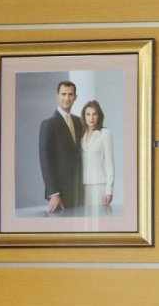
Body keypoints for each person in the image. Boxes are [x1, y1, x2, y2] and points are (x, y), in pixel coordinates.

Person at [38, 81, 83, 214]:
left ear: (75, 97)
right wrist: (54, 193)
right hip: (61, 192)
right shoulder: (48, 124)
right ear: (57, 96)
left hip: (80, 190)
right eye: (63, 94)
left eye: (70, 94)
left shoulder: (79, 122)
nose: (67, 98)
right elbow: (45, 161)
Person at [79, 100, 115, 216]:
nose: (91, 118)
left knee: (99, 219)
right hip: (82, 186)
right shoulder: (82, 136)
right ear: (84, 116)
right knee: (84, 219)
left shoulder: (105, 133)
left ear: (99, 116)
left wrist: (109, 190)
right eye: (88, 114)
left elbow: (109, 163)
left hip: (99, 185)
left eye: (94, 114)